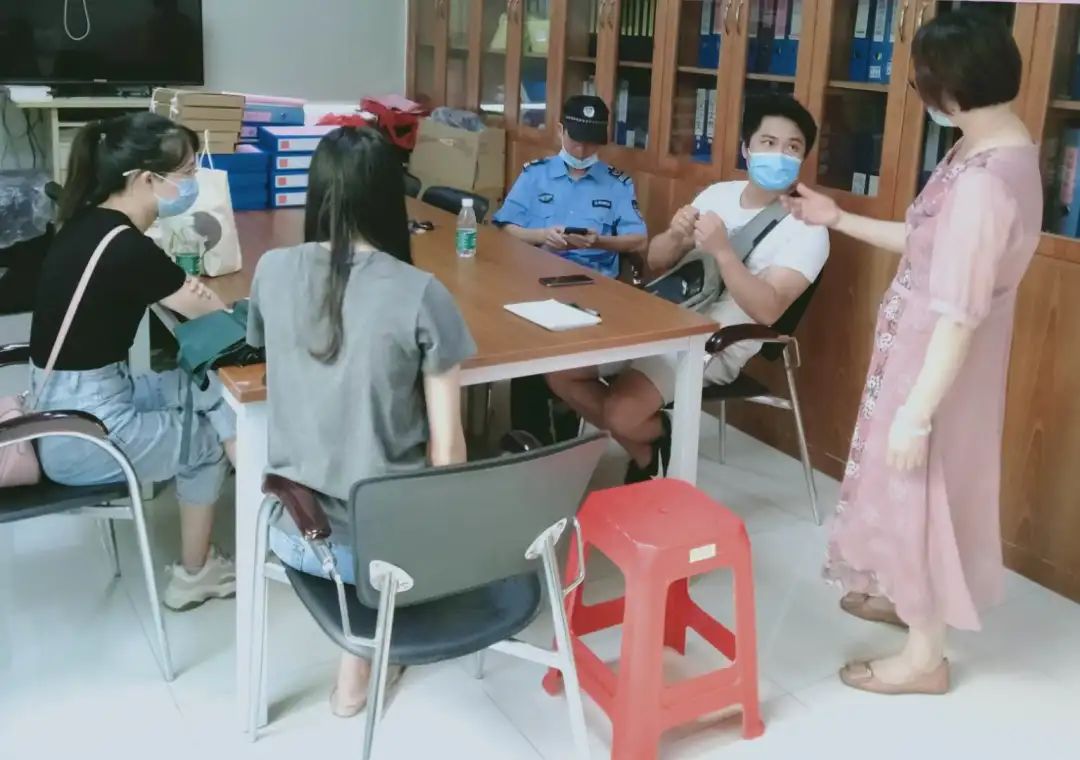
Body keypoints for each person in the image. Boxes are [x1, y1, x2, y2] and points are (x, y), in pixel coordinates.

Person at [785, 9, 1041, 695]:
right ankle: (907, 597)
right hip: (925, 353)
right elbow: (928, 243)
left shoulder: (985, 184)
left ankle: (926, 658)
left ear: (946, 91)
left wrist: (916, 414)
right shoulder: (987, 149)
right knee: (909, 489)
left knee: (923, 492)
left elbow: (959, 313)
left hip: (941, 364)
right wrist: (838, 218)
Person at [246, 127, 474, 717]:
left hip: (291, 528)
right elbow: (448, 452)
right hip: (377, 551)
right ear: (390, 199)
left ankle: (358, 659)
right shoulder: (421, 292)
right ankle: (359, 666)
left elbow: (271, 357)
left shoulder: (271, 269)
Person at [547, 94, 829, 482]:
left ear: (802, 159)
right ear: (747, 149)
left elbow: (768, 310)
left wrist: (723, 252)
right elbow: (656, 260)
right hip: (666, 312)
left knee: (620, 412)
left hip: (717, 337)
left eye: (792, 148)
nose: (780, 154)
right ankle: (649, 443)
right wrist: (677, 236)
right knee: (559, 370)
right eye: (768, 143)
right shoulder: (718, 194)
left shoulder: (808, 227)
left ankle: (648, 438)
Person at [29, 112, 237, 611]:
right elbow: (214, 313)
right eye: (186, 173)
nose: (193, 183)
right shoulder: (126, 248)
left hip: (68, 401)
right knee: (207, 438)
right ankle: (195, 575)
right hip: (82, 433)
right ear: (146, 179)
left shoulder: (88, 222)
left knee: (199, 385)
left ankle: (253, 470)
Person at [492, 94, 648, 279]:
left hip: (591, 279)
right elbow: (505, 228)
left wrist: (597, 242)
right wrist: (542, 236)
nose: (581, 150)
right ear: (560, 131)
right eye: (575, 141)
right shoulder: (535, 174)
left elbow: (639, 241)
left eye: (590, 143)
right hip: (532, 271)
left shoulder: (618, 184)